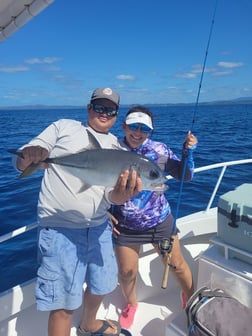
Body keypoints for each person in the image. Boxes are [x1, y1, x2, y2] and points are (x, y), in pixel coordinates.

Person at [13, 88, 142, 336]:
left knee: (102, 283)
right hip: (60, 229)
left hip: (99, 228)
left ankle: (89, 325)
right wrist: (30, 157)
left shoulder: (117, 148)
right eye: (99, 107)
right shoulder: (64, 127)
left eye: (110, 109)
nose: (104, 113)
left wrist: (122, 197)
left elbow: (109, 195)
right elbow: (25, 157)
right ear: (88, 108)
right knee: (63, 303)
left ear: (116, 115)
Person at [111, 105, 198, 329]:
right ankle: (131, 303)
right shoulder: (112, 149)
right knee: (127, 271)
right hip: (125, 225)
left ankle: (191, 299)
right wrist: (104, 215)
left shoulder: (159, 150)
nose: (138, 132)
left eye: (144, 128)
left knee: (177, 265)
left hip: (159, 221)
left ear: (150, 131)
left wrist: (188, 153)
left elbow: (184, 176)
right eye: (133, 126)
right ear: (124, 126)